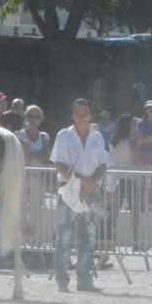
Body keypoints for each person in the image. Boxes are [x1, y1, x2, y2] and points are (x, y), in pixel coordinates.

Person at [50, 98, 110, 293]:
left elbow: (103, 164)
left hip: (90, 191)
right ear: (73, 115)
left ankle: (85, 281)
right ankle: (62, 281)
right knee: (64, 237)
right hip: (68, 191)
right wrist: (80, 181)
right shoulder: (63, 135)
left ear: (90, 115)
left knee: (87, 237)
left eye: (85, 113)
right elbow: (58, 163)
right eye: (78, 113)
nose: (81, 116)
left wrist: (91, 182)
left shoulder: (98, 137)